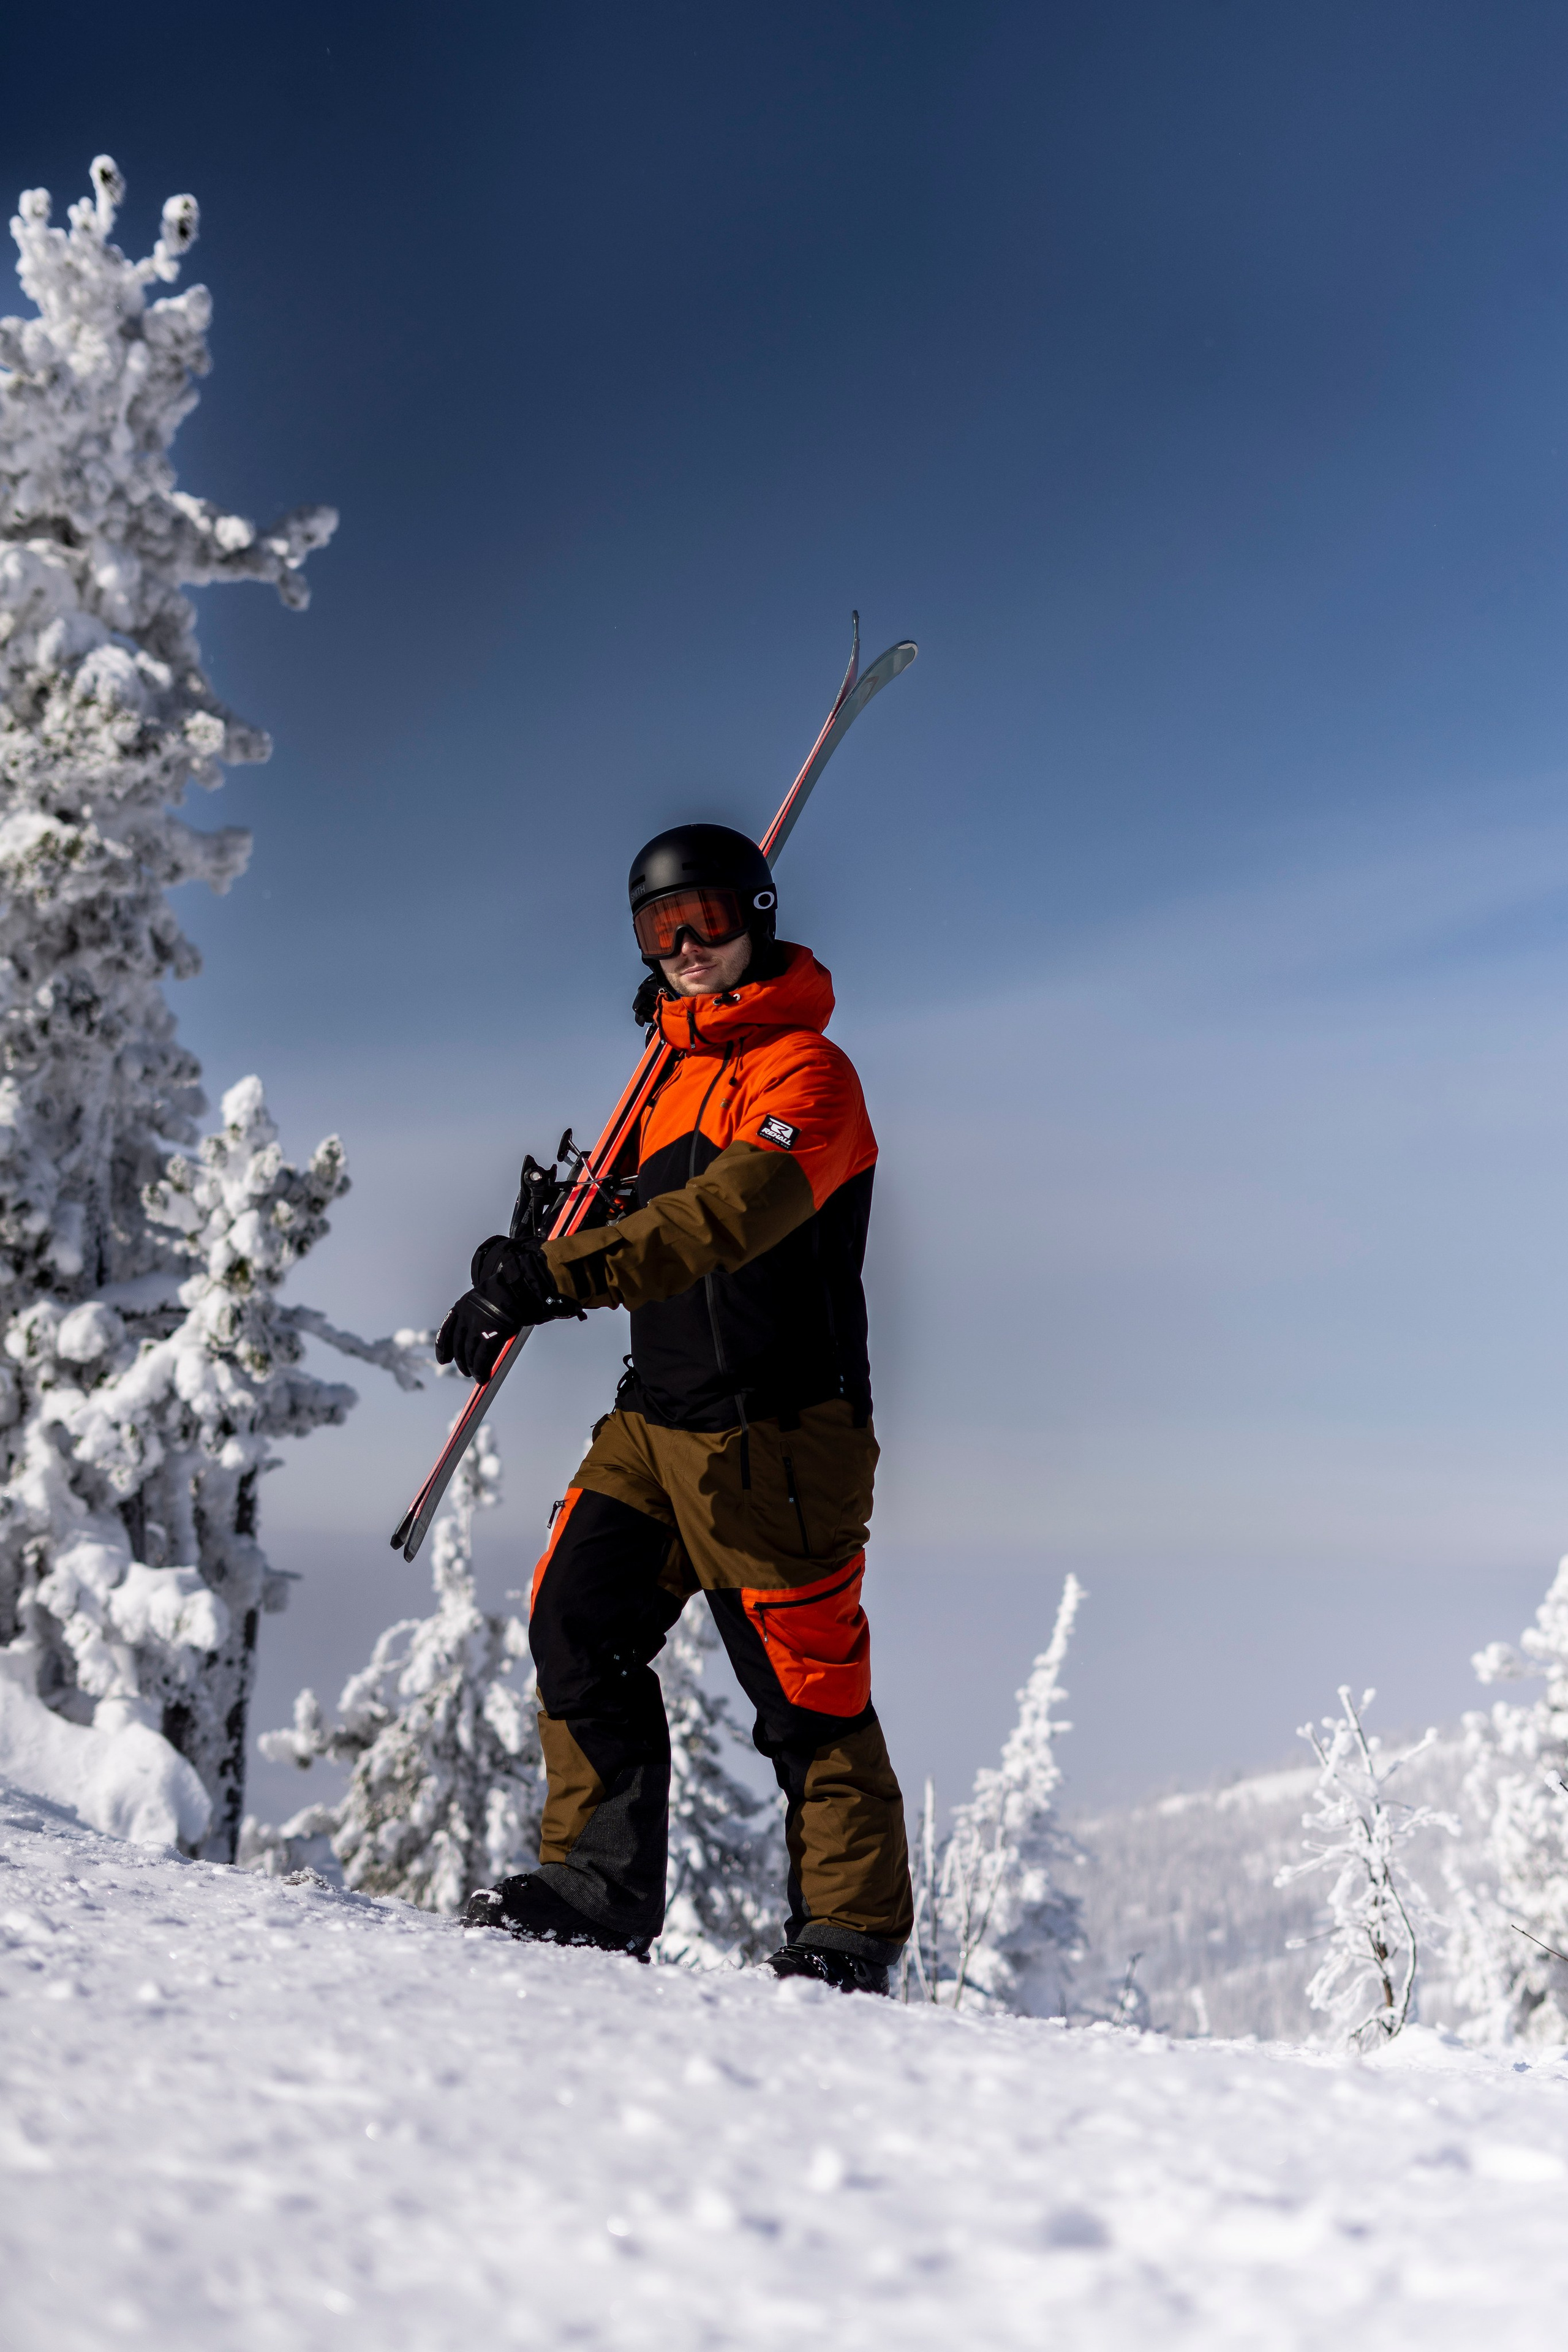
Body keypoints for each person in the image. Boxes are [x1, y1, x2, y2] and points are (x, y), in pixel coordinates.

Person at [443, 823, 911, 1993]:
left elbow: (717, 1223)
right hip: (656, 1425)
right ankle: (596, 1893)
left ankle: (847, 1936)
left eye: (705, 918)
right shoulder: (663, 1079)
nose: (686, 945)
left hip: (777, 1439)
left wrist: (560, 1276)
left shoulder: (812, 1077)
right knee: (575, 1624)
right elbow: (604, 1222)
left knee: (804, 1692)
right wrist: (513, 1285)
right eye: (660, 927)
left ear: (755, 911)